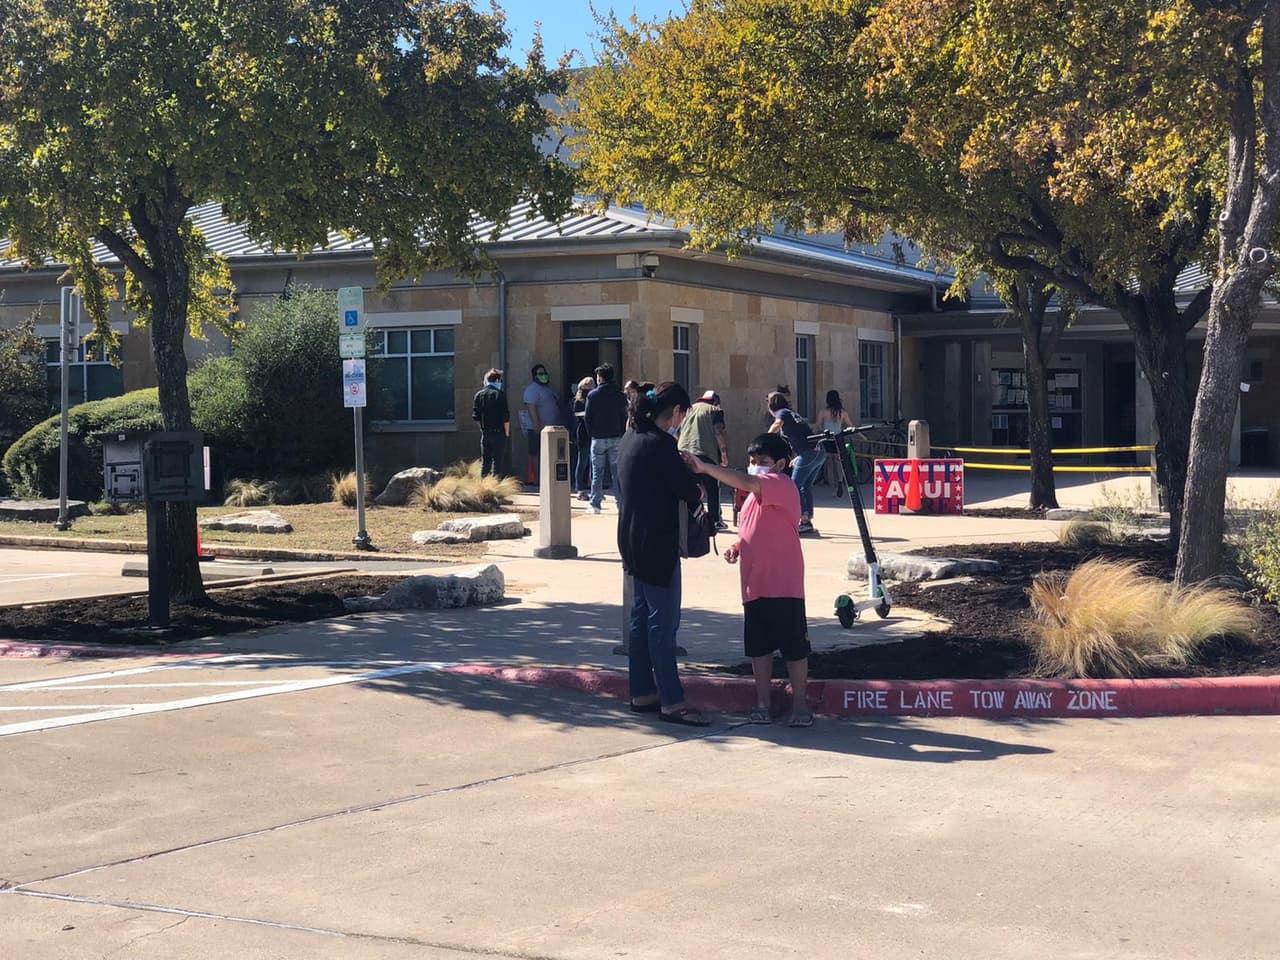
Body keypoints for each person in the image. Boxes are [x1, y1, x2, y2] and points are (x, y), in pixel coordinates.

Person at [683, 432, 812, 727]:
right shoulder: (753, 500)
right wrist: (737, 547)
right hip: (754, 586)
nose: (755, 467)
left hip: (785, 584)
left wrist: (706, 468)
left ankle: (801, 706)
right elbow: (751, 530)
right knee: (759, 650)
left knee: (795, 649)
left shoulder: (781, 485)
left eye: (762, 462)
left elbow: (746, 481)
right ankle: (763, 703)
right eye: (752, 462)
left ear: (780, 464)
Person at [617, 382, 708, 726]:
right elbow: (689, 491)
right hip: (658, 542)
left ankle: (642, 692)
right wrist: (697, 479)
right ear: (677, 413)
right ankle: (672, 700)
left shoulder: (631, 438)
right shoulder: (662, 445)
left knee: (640, 619)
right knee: (663, 623)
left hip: (631, 538)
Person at [767, 390, 826, 536]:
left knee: (792, 486)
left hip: (809, 453)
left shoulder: (782, 413)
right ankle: (807, 519)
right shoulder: (792, 413)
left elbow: (777, 423)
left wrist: (765, 438)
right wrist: (799, 457)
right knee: (805, 485)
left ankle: (801, 519)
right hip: (817, 452)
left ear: (772, 405)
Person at [678, 389, 729, 530]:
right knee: (712, 489)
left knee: (690, 489)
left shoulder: (688, 409)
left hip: (684, 454)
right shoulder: (715, 410)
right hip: (705, 455)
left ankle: (691, 518)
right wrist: (724, 453)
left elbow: (677, 431)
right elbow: (718, 432)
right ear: (716, 402)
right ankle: (714, 520)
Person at [584, 362, 629, 514]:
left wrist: (591, 433)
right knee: (617, 472)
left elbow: (588, 417)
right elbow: (624, 416)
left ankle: (595, 504)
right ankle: (620, 503)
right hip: (616, 436)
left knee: (597, 472)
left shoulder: (593, 395)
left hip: (598, 437)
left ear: (600, 378)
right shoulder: (620, 395)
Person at [521, 363, 561, 485]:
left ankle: (548, 478)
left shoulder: (549, 388)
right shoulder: (532, 390)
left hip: (552, 429)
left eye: (544, 373)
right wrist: (537, 425)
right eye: (540, 373)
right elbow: (531, 408)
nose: (543, 375)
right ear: (534, 376)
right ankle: (537, 479)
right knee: (535, 454)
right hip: (537, 429)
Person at [471, 367, 509, 477]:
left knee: (485, 462)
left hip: (486, 433)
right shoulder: (500, 395)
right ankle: (495, 485)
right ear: (497, 381)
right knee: (497, 462)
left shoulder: (478, 395)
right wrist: (506, 433)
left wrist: (482, 429)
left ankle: (483, 485)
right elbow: (505, 417)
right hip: (499, 432)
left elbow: (476, 416)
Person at [817, 390, 854, 498]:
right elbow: (850, 425)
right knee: (839, 462)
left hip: (827, 439)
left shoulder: (823, 412)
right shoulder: (842, 412)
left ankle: (833, 487)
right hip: (839, 438)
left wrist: (823, 430)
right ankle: (840, 482)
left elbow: (818, 425)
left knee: (829, 464)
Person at [572, 376, 595, 499]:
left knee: (593, 462)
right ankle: (579, 487)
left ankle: (591, 486)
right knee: (582, 461)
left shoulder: (593, 399)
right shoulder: (578, 400)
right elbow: (577, 415)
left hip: (592, 432)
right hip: (583, 432)